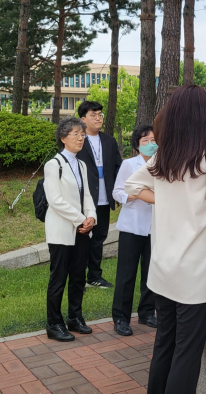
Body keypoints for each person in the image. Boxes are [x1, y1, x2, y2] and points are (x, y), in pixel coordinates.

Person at [124, 85, 206, 394]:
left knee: (165, 343)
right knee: (187, 353)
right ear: (200, 116)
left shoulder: (165, 154)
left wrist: (165, 200)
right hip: (194, 272)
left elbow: (132, 186)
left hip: (163, 267)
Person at [44, 117, 97, 342]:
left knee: (78, 276)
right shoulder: (53, 165)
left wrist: (91, 216)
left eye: (82, 134)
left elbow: (86, 195)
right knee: (59, 278)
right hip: (62, 230)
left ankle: (75, 318)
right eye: (75, 134)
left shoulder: (81, 164)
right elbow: (55, 200)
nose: (80, 138)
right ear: (63, 137)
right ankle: (54, 323)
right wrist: (80, 219)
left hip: (81, 230)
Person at [111, 125, 158, 337]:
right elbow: (117, 191)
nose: (150, 144)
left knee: (150, 271)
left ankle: (147, 312)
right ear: (137, 145)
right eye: (145, 140)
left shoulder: (162, 163)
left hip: (155, 226)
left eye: (153, 140)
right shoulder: (129, 164)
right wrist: (134, 195)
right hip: (132, 225)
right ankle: (121, 317)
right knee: (126, 274)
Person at [77, 101, 123, 289]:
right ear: (83, 119)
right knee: (81, 238)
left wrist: (118, 192)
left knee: (99, 238)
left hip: (104, 198)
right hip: (84, 199)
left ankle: (94, 276)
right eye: (93, 115)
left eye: (100, 115)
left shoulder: (109, 141)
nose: (98, 118)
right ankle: (78, 276)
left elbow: (118, 167)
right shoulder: (78, 140)